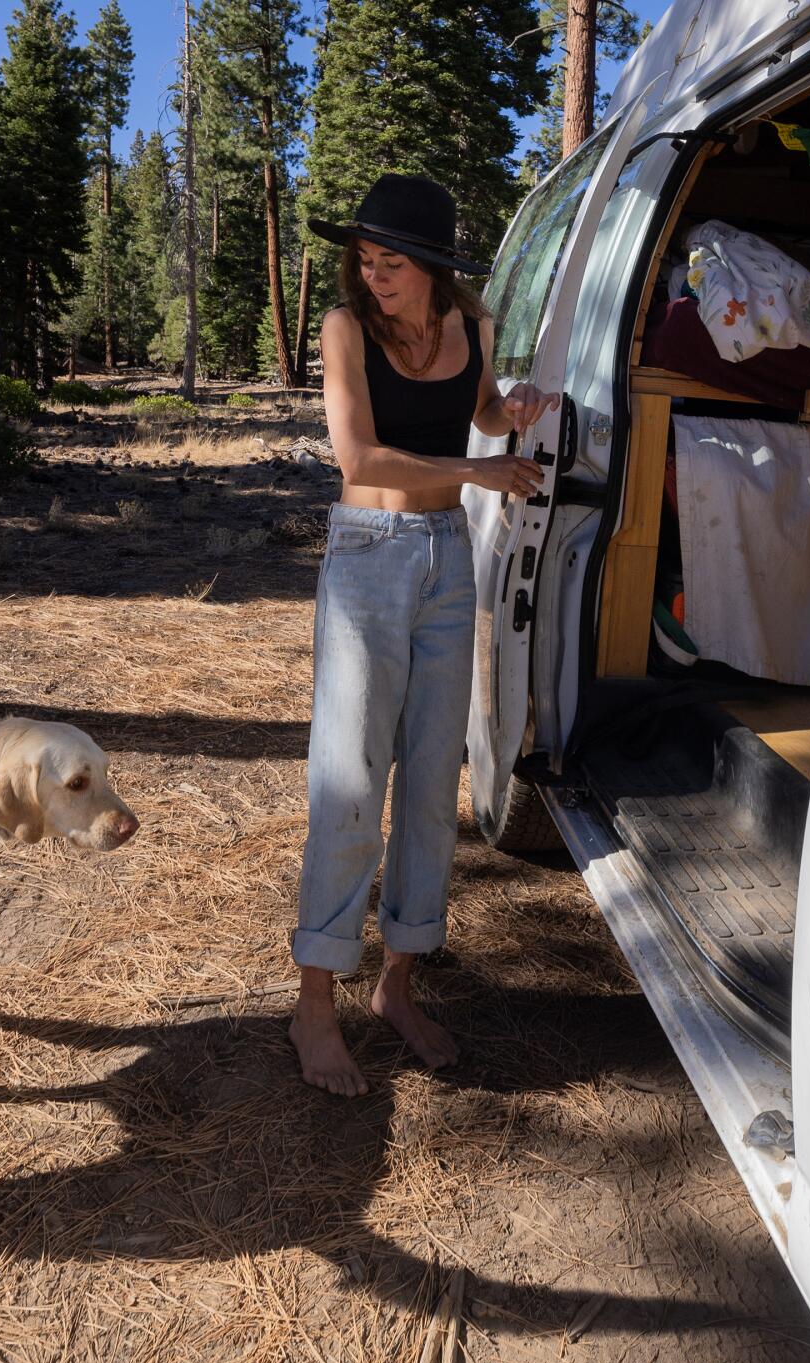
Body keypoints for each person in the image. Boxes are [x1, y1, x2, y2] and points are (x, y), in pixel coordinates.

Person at [288, 175, 553, 1097]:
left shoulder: (471, 329)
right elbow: (357, 457)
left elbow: (477, 410)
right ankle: (315, 999)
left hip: (449, 555)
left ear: (435, 266)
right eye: (365, 259)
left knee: (436, 781)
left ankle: (397, 985)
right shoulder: (345, 329)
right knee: (352, 774)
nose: (373, 275)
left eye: (391, 262)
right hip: (368, 554)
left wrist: (508, 407)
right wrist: (476, 467)